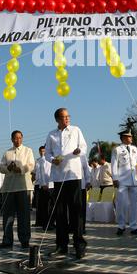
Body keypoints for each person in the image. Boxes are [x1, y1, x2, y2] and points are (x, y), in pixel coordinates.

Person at [45, 108, 87, 259]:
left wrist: (79, 151)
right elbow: (47, 153)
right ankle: (61, 246)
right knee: (60, 213)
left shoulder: (76, 130)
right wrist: (52, 160)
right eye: (63, 117)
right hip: (58, 176)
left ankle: (79, 246)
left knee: (76, 211)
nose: (67, 119)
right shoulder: (51, 134)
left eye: (68, 116)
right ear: (57, 119)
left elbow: (84, 146)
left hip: (73, 175)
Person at [0, 130, 35, 249]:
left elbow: (31, 164)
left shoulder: (28, 150)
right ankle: (7, 240)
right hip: (9, 188)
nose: (17, 140)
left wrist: (21, 169)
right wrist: (8, 168)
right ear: (12, 139)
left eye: (19, 138)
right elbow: (1, 167)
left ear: (22, 138)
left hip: (23, 187)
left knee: (24, 215)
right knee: (8, 215)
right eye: (15, 138)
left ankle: (24, 240)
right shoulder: (7, 153)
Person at [111, 129, 137, 236]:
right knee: (122, 204)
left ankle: (134, 226)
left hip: (134, 179)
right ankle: (121, 225)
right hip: (122, 180)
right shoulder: (117, 149)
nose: (131, 138)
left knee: (135, 204)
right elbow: (114, 164)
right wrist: (115, 178)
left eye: (131, 136)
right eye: (128, 137)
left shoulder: (134, 148)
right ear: (123, 138)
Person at [35, 145, 55, 231]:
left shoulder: (54, 159)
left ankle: (51, 223)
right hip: (45, 186)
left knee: (52, 206)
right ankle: (46, 224)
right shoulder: (43, 160)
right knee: (45, 207)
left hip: (53, 185)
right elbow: (42, 173)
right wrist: (43, 184)